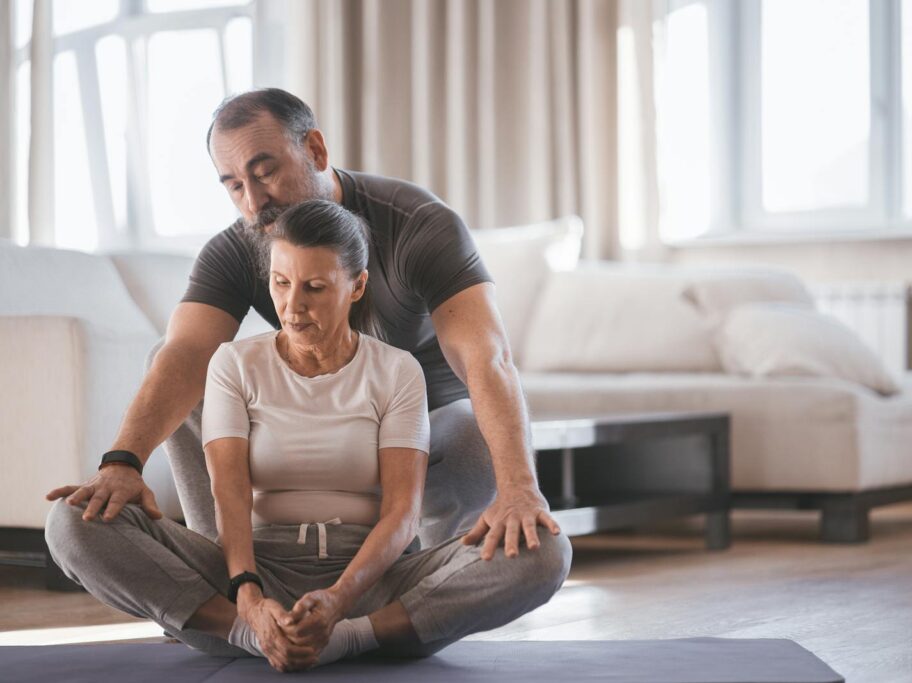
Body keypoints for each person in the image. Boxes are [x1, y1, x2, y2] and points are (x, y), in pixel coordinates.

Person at [45, 200, 572, 672]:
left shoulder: (397, 371)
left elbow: (402, 515)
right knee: (70, 521)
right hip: (255, 574)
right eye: (280, 283)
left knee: (546, 551)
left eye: (315, 288)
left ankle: (354, 640)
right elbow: (227, 493)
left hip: (376, 582)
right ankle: (244, 636)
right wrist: (249, 603)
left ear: (357, 287)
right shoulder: (232, 363)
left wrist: (341, 605)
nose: (293, 306)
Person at [45, 87, 558, 561]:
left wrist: (519, 487)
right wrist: (122, 462)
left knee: (469, 432)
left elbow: (487, 358)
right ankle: (222, 569)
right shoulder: (240, 244)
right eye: (234, 186)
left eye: (264, 172)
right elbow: (181, 355)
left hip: (424, 428)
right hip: (311, 424)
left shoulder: (418, 224)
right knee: (176, 359)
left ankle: (438, 567)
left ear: (315, 150)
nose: (253, 201)